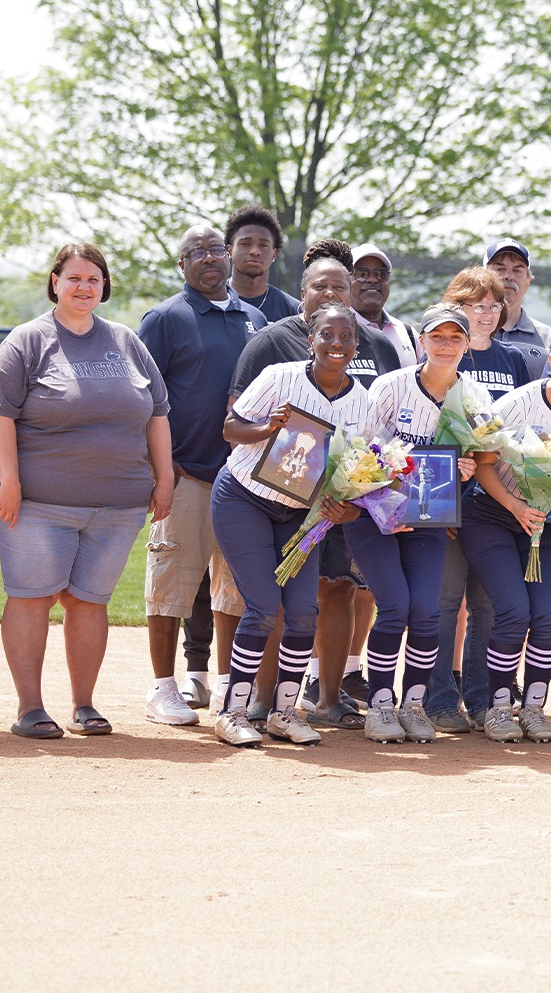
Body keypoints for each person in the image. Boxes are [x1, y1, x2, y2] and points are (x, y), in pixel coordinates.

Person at [0, 243, 173, 739]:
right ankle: (30, 708)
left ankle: (84, 705)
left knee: (89, 600)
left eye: (94, 279)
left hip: (118, 503)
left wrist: (164, 478)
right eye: (74, 278)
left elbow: (157, 414)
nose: (84, 287)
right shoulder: (28, 341)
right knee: (34, 595)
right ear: (55, 282)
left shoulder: (126, 341)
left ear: (104, 286)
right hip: (37, 501)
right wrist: (11, 482)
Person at [229, 240, 400, 730]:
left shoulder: (379, 345)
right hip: (272, 497)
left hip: (336, 501)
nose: (330, 292)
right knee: (275, 597)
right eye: (320, 285)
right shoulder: (272, 343)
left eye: (339, 286)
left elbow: (378, 436)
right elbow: (239, 417)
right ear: (302, 292)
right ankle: (260, 700)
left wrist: (361, 491)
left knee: (337, 591)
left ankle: (328, 698)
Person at [207, 304, 369, 748]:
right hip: (245, 499)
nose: (337, 344)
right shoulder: (280, 376)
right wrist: (266, 427)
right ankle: (233, 712)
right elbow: (229, 427)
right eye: (327, 335)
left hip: (302, 513)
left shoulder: (362, 401)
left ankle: (282, 713)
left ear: (357, 344)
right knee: (263, 608)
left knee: (302, 611)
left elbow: (361, 474)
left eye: (346, 337)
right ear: (310, 339)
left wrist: (348, 510)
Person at [136, 225, 265, 728]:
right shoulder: (166, 318)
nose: (208, 258)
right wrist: (158, 474)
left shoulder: (254, 320)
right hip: (185, 474)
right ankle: (163, 687)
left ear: (229, 256)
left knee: (233, 590)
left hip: (244, 481)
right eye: (196, 253)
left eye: (215, 249)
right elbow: (146, 401)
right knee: (169, 585)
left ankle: (231, 686)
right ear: (182, 265)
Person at [462, 325, 551, 742]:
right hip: (491, 514)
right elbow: (483, 464)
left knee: (548, 618)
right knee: (513, 612)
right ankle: (499, 708)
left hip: (546, 526)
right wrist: (515, 506)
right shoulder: (517, 402)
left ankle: (534, 709)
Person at [356, 305, 477, 743]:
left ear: (467, 344)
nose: (446, 345)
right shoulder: (391, 386)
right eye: (437, 336)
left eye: (455, 337)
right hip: (373, 513)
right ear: (422, 341)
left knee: (426, 612)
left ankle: (414, 704)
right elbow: (359, 450)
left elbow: (481, 452)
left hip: (427, 516)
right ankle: (380, 705)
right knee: (394, 608)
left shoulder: (472, 394)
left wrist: (464, 468)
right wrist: (391, 486)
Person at [425, 266, 533, 732]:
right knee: (447, 602)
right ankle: (438, 698)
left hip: (496, 503)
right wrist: (446, 495)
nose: (486, 313)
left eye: (493, 305)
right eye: (474, 305)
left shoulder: (514, 361)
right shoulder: (443, 353)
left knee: (488, 604)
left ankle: (484, 697)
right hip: (449, 499)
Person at [484, 237, 551, 377]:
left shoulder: (548, 338)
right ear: (483, 277)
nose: (509, 276)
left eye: (517, 270)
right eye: (500, 269)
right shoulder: (466, 330)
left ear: (528, 282)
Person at [225, 204, 301, 320]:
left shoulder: (294, 311)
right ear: (229, 250)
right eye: (245, 244)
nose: (255, 251)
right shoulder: (212, 300)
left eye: (263, 245)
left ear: (274, 254)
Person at [348, 243, 418, 365]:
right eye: (362, 274)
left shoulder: (409, 334)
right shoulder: (334, 332)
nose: (372, 279)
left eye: (380, 274)